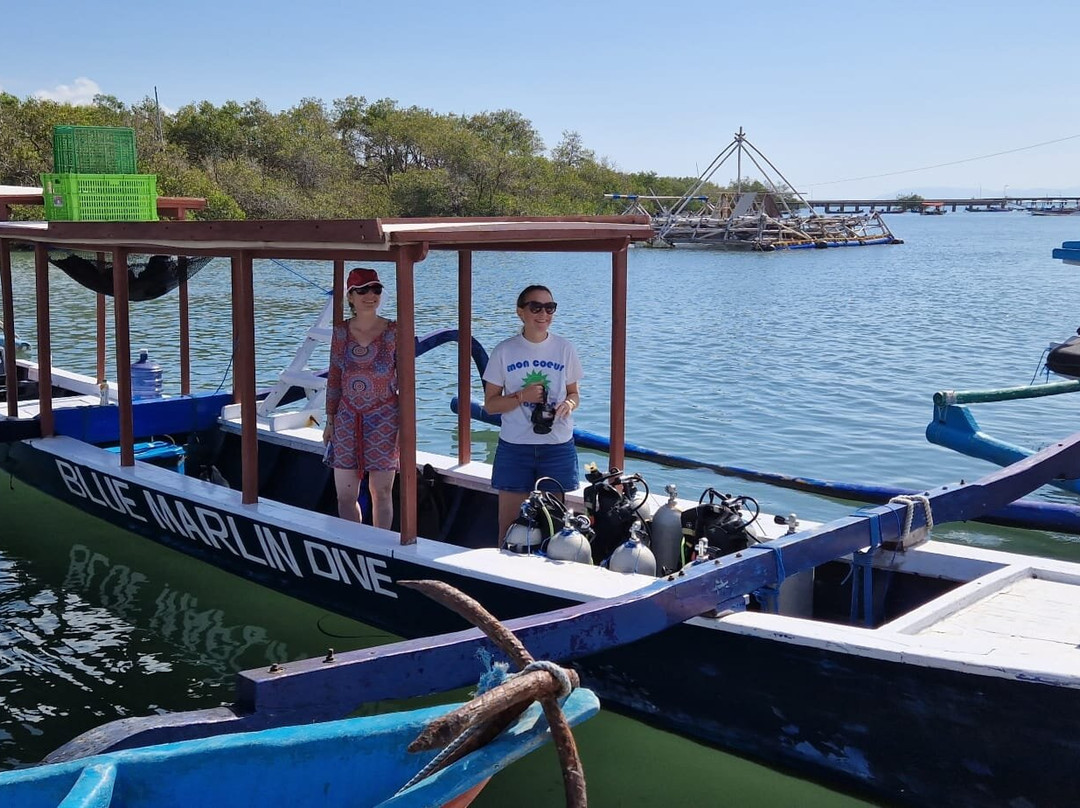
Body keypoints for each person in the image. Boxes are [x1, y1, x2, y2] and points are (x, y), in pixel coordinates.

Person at [483, 284, 582, 542]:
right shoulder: (504, 351)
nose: (543, 314)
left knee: (555, 526)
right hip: (516, 447)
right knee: (508, 526)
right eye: (535, 307)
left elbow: (574, 394)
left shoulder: (565, 349)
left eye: (550, 308)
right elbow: (490, 405)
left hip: (556, 446)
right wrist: (521, 397)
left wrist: (568, 405)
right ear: (520, 312)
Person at [323, 267, 399, 528]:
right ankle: (355, 542)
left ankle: (380, 545)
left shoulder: (395, 331)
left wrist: (407, 426)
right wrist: (330, 420)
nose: (370, 295)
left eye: (376, 289)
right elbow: (334, 378)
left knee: (382, 492)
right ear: (351, 297)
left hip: (386, 417)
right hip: (346, 417)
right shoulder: (340, 332)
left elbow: (409, 383)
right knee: (345, 495)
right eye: (362, 290)